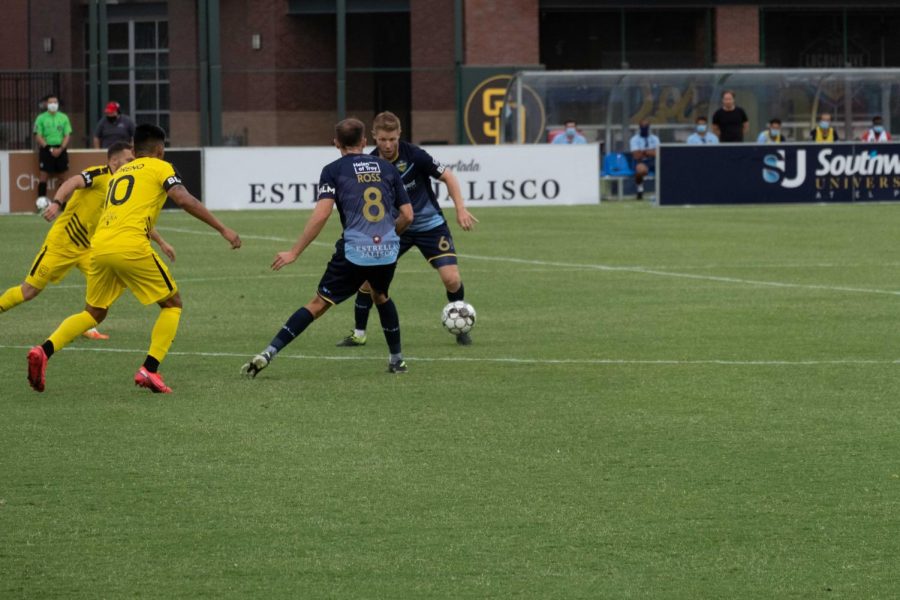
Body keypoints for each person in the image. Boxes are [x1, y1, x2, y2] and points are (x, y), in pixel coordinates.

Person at [26, 124, 242, 394]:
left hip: (100, 246)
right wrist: (223, 228)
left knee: (94, 312)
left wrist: (161, 240)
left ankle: (44, 351)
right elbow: (184, 199)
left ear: (135, 149)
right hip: (130, 246)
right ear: (160, 150)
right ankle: (150, 369)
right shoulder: (161, 167)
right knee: (172, 304)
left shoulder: (120, 173)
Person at [241, 117, 414, 378]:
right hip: (387, 250)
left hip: (354, 251)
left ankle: (268, 353)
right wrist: (390, 235)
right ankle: (397, 360)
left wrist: (294, 252)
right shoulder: (387, 168)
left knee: (318, 303)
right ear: (365, 142)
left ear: (336, 143)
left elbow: (322, 215)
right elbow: (408, 215)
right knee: (380, 296)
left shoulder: (333, 170)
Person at [1, 142, 175, 341]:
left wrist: (162, 242)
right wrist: (57, 202)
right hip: (62, 244)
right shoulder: (99, 174)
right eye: (129, 159)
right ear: (114, 160)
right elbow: (72, 182)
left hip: (89, 249)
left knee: (117, 280)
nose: (132, 163)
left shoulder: (126, 181)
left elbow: (135, 218)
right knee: (29, 290)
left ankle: (88, 321)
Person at [335, 111, 478, 347]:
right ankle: (358, 334)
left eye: (392, 139)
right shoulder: (370, 163)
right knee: (368, 282)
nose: (388, 145)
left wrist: (460, 209)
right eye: (382, 139)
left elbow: (449, 177)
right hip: (396, 228)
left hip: (429, 225)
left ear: (399, 134)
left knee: (451, 279)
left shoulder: (415, 155)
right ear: (373, 137)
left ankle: (460, 326)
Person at [33, 94, 72, 205]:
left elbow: (67, 135)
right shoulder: (41, 118)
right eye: (50, 103)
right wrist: (49, 148)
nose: (53, 105)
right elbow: (38, 135)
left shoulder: (63, 117)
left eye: (55, 102)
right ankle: (41, 203)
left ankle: (62, 203)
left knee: (63, 177)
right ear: (46, 104)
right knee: (43, 176)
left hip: (61, 149)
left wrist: (61, 148)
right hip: (46, 149)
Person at [629, 119, 659, 200]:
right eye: (643, 127)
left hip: (654, 160)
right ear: (639, 128)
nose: (645, 128)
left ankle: (660, 192)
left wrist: (643, 152)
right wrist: (649, 152)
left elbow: (658, 152)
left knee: (665, 168)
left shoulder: (655, 138)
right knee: (641, 170)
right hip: (641, 161)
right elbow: (636, 155)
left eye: (646, 126)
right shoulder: (634, 139)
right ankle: (640, 189)